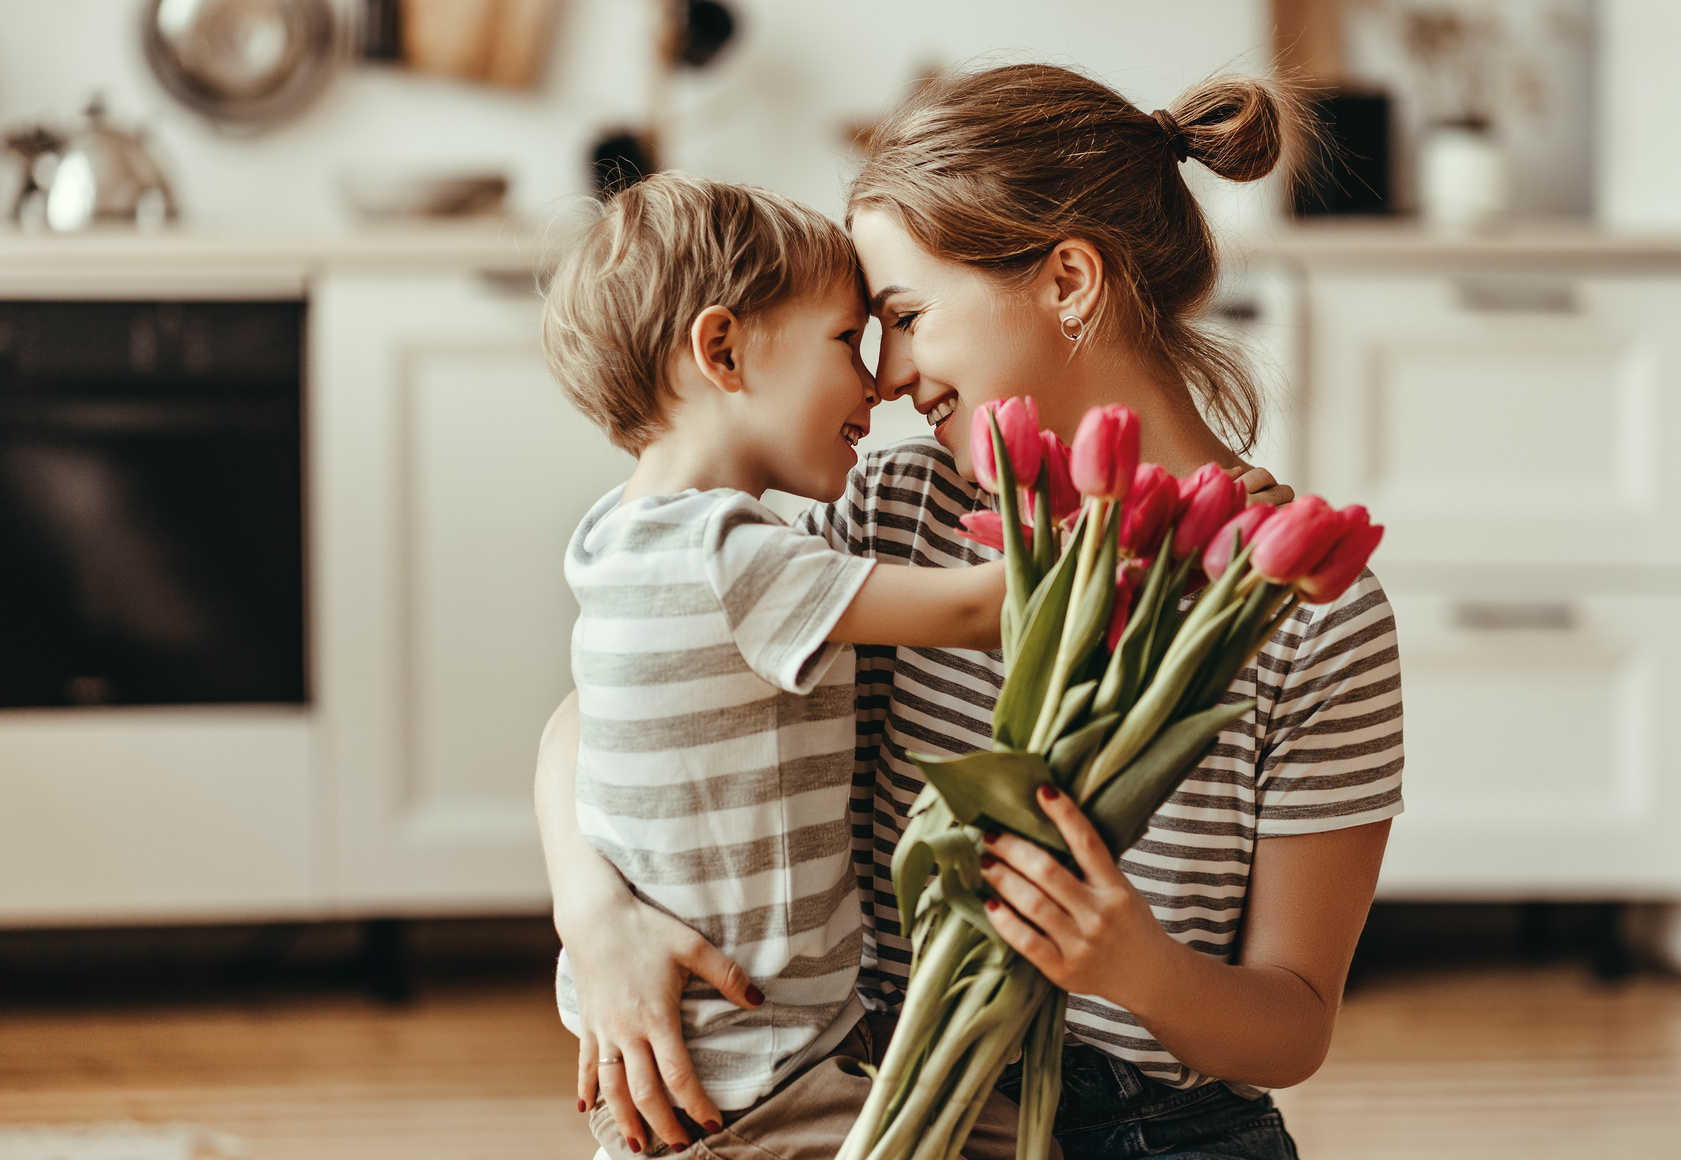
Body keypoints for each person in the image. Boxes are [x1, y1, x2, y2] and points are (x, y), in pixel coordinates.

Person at [537, 65, 1403, 1160]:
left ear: (1070, 280)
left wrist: (1131, 961)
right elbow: (612, 701)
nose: (888, 376)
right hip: (882, 1094)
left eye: (902, 316)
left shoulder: (1307, 613)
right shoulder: (897, 508)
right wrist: (595, 913)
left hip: (1153, 1128)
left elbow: (1294, 1024)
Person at [540, 172, 1015, 1160]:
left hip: (706, 1057)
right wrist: (1175, 524)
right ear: (722, 350)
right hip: (760, 1073)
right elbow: (979, 608)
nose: (879, 382)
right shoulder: (734, 560)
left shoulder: (614, 536)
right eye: (849, 339)